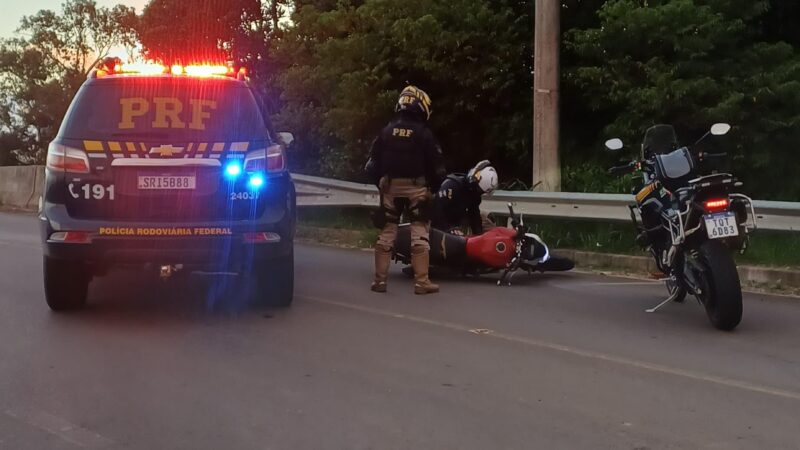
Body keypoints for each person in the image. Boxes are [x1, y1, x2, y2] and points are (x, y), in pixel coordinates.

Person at [364, 85, 446, 295]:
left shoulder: (386, 131)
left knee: (387, 232)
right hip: (416, 188)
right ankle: (422, 282)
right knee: (419, 233)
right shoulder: (424, 134)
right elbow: (437, 167)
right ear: (421, 106)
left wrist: (381, 183)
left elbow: (371, 165)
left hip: (390, 187)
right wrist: (432, 190)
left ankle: (380, 281)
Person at [431, 160, 498, 235]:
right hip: (440, 221)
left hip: (457, 218)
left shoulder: (475, 194)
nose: (478, 192)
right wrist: (449, 230)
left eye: (481, 191)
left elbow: (474, 214)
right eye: (478, 188)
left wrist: (478, 235)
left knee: (486, 218)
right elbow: (437, 210)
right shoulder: (451, 185)